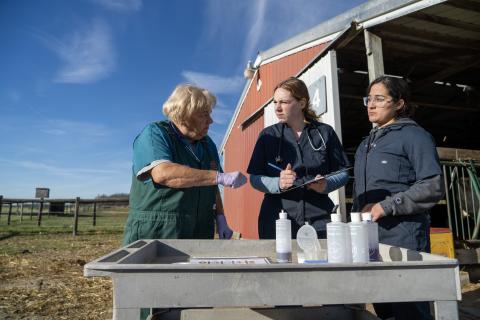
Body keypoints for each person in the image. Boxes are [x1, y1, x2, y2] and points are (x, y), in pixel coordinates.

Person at [352, 75, 444, 320]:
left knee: (409, 306)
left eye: (379, 99)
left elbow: (433, 185)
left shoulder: (414, 136)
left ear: (399, 104)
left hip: (404, 235)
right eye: (368, 99)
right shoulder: (365, 145)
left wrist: (386, 206)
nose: (371, 105)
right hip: (371, 237)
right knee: (385, 307)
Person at [123, 84, 247, 246]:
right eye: (204, 115)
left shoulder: (207, 144)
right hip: (159, 230)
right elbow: (163, 173)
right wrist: (218, 177)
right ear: (184, 114)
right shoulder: (156, 134)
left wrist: (220, 217)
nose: (210, 121)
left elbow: (213, 184)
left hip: (200, 228)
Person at [247, 77, 350, 239]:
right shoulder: (268, 136)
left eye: (284, 102)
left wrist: (326, 184)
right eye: (275, 102)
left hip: (319, 217)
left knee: (320, 262)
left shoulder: (324, 133)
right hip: (278, 218)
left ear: (302, 103)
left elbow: (343, 173)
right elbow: (254, 178)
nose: (277, 108)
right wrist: (277, 183)